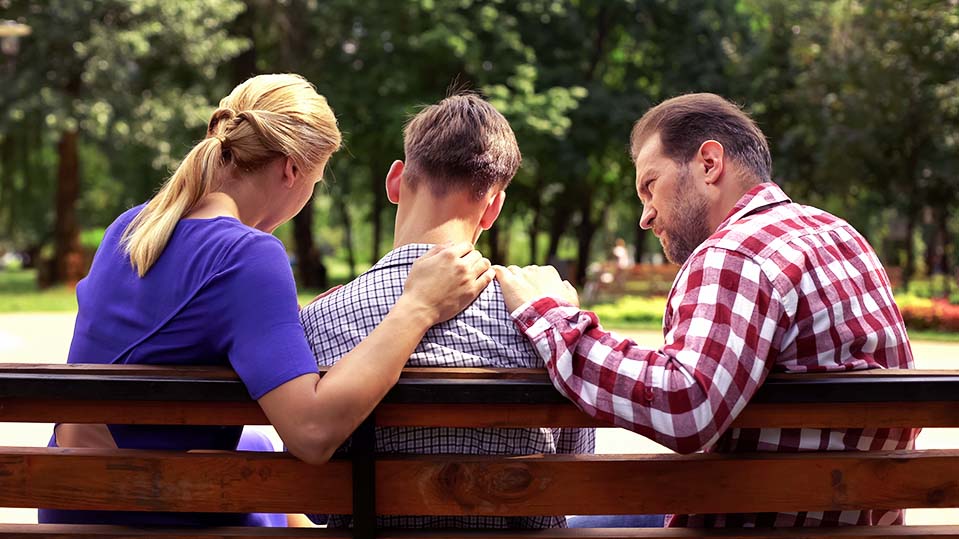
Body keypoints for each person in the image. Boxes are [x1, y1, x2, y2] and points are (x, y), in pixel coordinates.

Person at [40, 74, 494, 528]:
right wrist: (419, 305)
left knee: (256, 449)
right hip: (144, 514)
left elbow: (176, 322)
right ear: (292, 170)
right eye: (315, 181)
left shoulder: (132, 226)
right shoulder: (247, 255)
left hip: (72, 497)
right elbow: (312, 434)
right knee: (273, 475)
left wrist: (281, 320)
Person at [495, 93, 916, 528]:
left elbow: (686, 405)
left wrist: (550, 315)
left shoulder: (736, 253)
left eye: (649, 186)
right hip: (851, 522)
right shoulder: (840, 235)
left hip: (755, 526)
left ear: (709, 163)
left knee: (559, 522)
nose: (645, 215)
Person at [300, 93, 595, 529]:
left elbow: (317, 504)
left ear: (395, 180)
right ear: (494, 207)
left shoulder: (321, 319)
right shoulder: (544, 322)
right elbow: (573, 479)